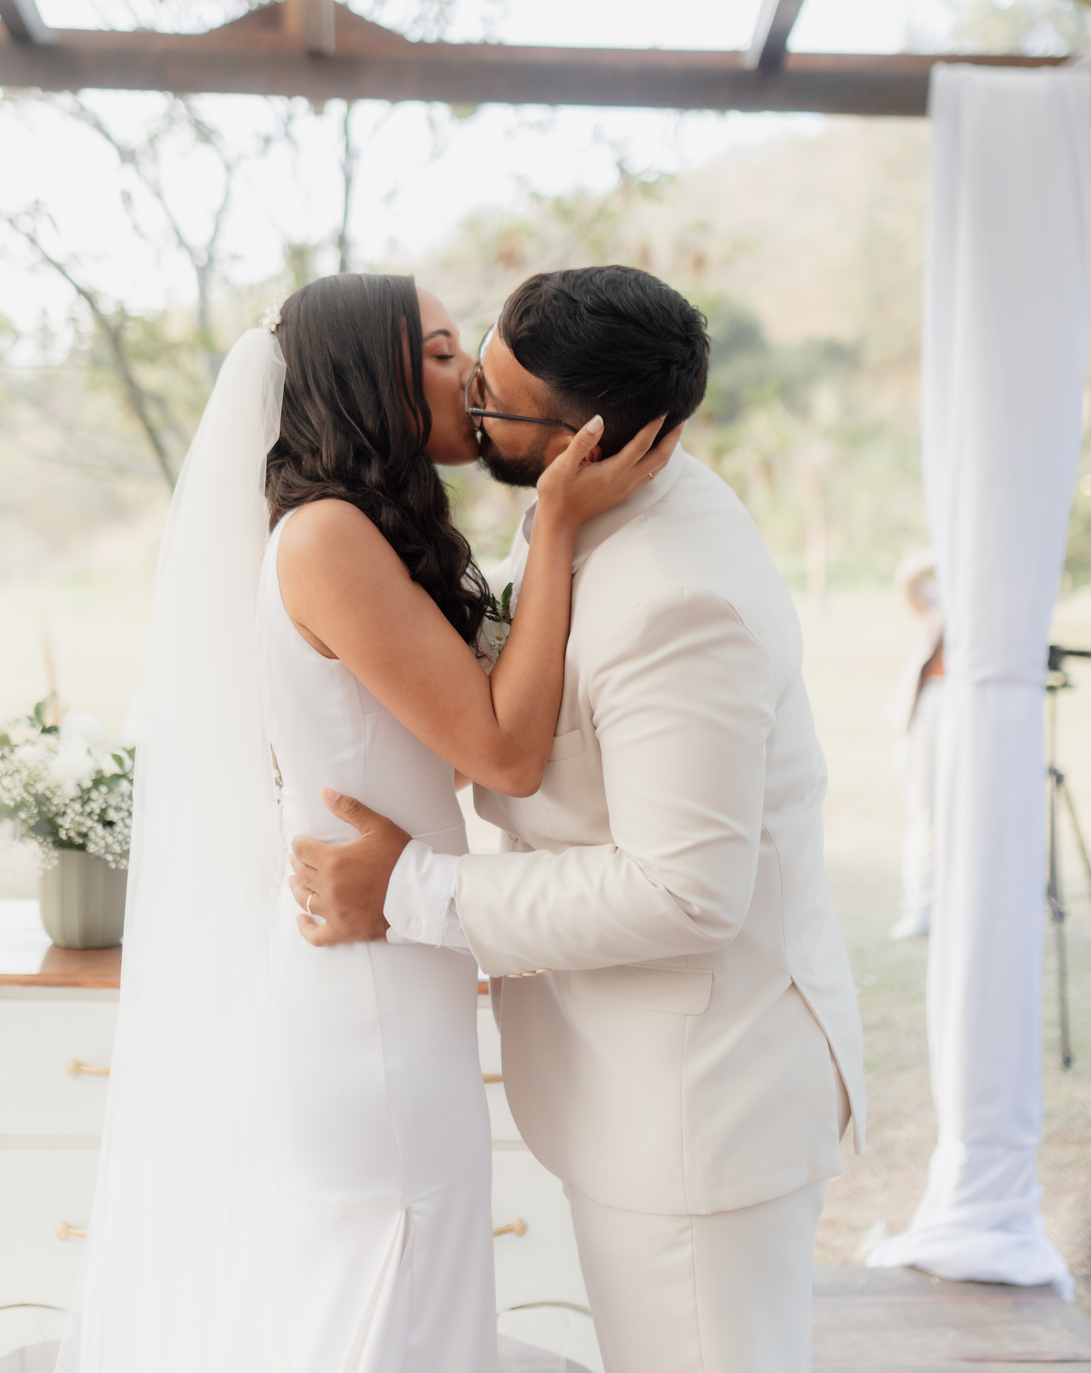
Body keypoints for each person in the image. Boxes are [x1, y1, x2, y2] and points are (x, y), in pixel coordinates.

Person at [59, 271, 673, 1373]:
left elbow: (465, 739)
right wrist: (560, 526)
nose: (470, 375)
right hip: (370, 1000)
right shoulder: (328, 538)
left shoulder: (353, 531)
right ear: (364, 378)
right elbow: (505, 754)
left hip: (394, 967)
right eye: (439, 353)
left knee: (407, 1295)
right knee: (397, 1299)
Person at [291, 264, 867, 1373]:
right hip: (629, 1085)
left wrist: (408, 889)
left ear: (588, 443)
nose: (468, 406)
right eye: (476, 367)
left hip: (700, 1106)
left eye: (494, 403)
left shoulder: (676, 599)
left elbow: (682, 891)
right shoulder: (579, 513)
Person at [885, 548, 945, 940]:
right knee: (927, 814)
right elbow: (908, 575)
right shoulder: (939, 602)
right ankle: (921, 906)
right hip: (933, 709)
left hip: (972, 714)